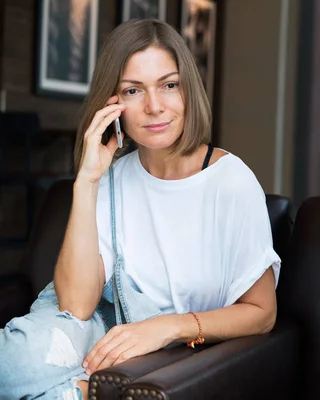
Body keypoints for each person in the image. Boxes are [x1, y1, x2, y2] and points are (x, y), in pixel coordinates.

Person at [0, 19, 280, 399]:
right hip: (101, 324)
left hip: (172, 349)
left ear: (187, 90)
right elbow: (76, 306)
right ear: (112, 104)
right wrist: (87, 181)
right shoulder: (112, 178)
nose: (154, 106)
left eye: (169, 85)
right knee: (14, 364)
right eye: (133, 90)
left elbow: (262, 312)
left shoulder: (230, 181)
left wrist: (168, 327)